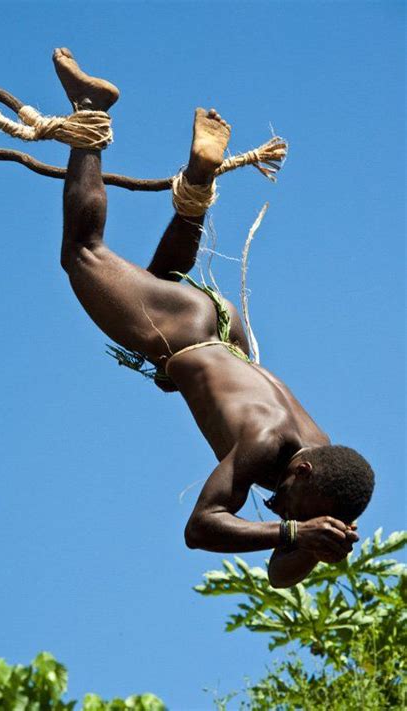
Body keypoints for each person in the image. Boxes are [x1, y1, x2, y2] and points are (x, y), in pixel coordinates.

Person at [53, 48, 374, 588]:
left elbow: (278, 576)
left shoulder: (320, 452)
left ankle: (197, 185)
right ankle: (91, 108)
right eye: (290, 503)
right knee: (83, 252)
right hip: (189, 338)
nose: (278, 507)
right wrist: (296, 535)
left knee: (157, 280)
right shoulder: (268, 443)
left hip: (223, 334)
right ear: (304, 472)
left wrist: (319, 544)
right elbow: (200, 529)